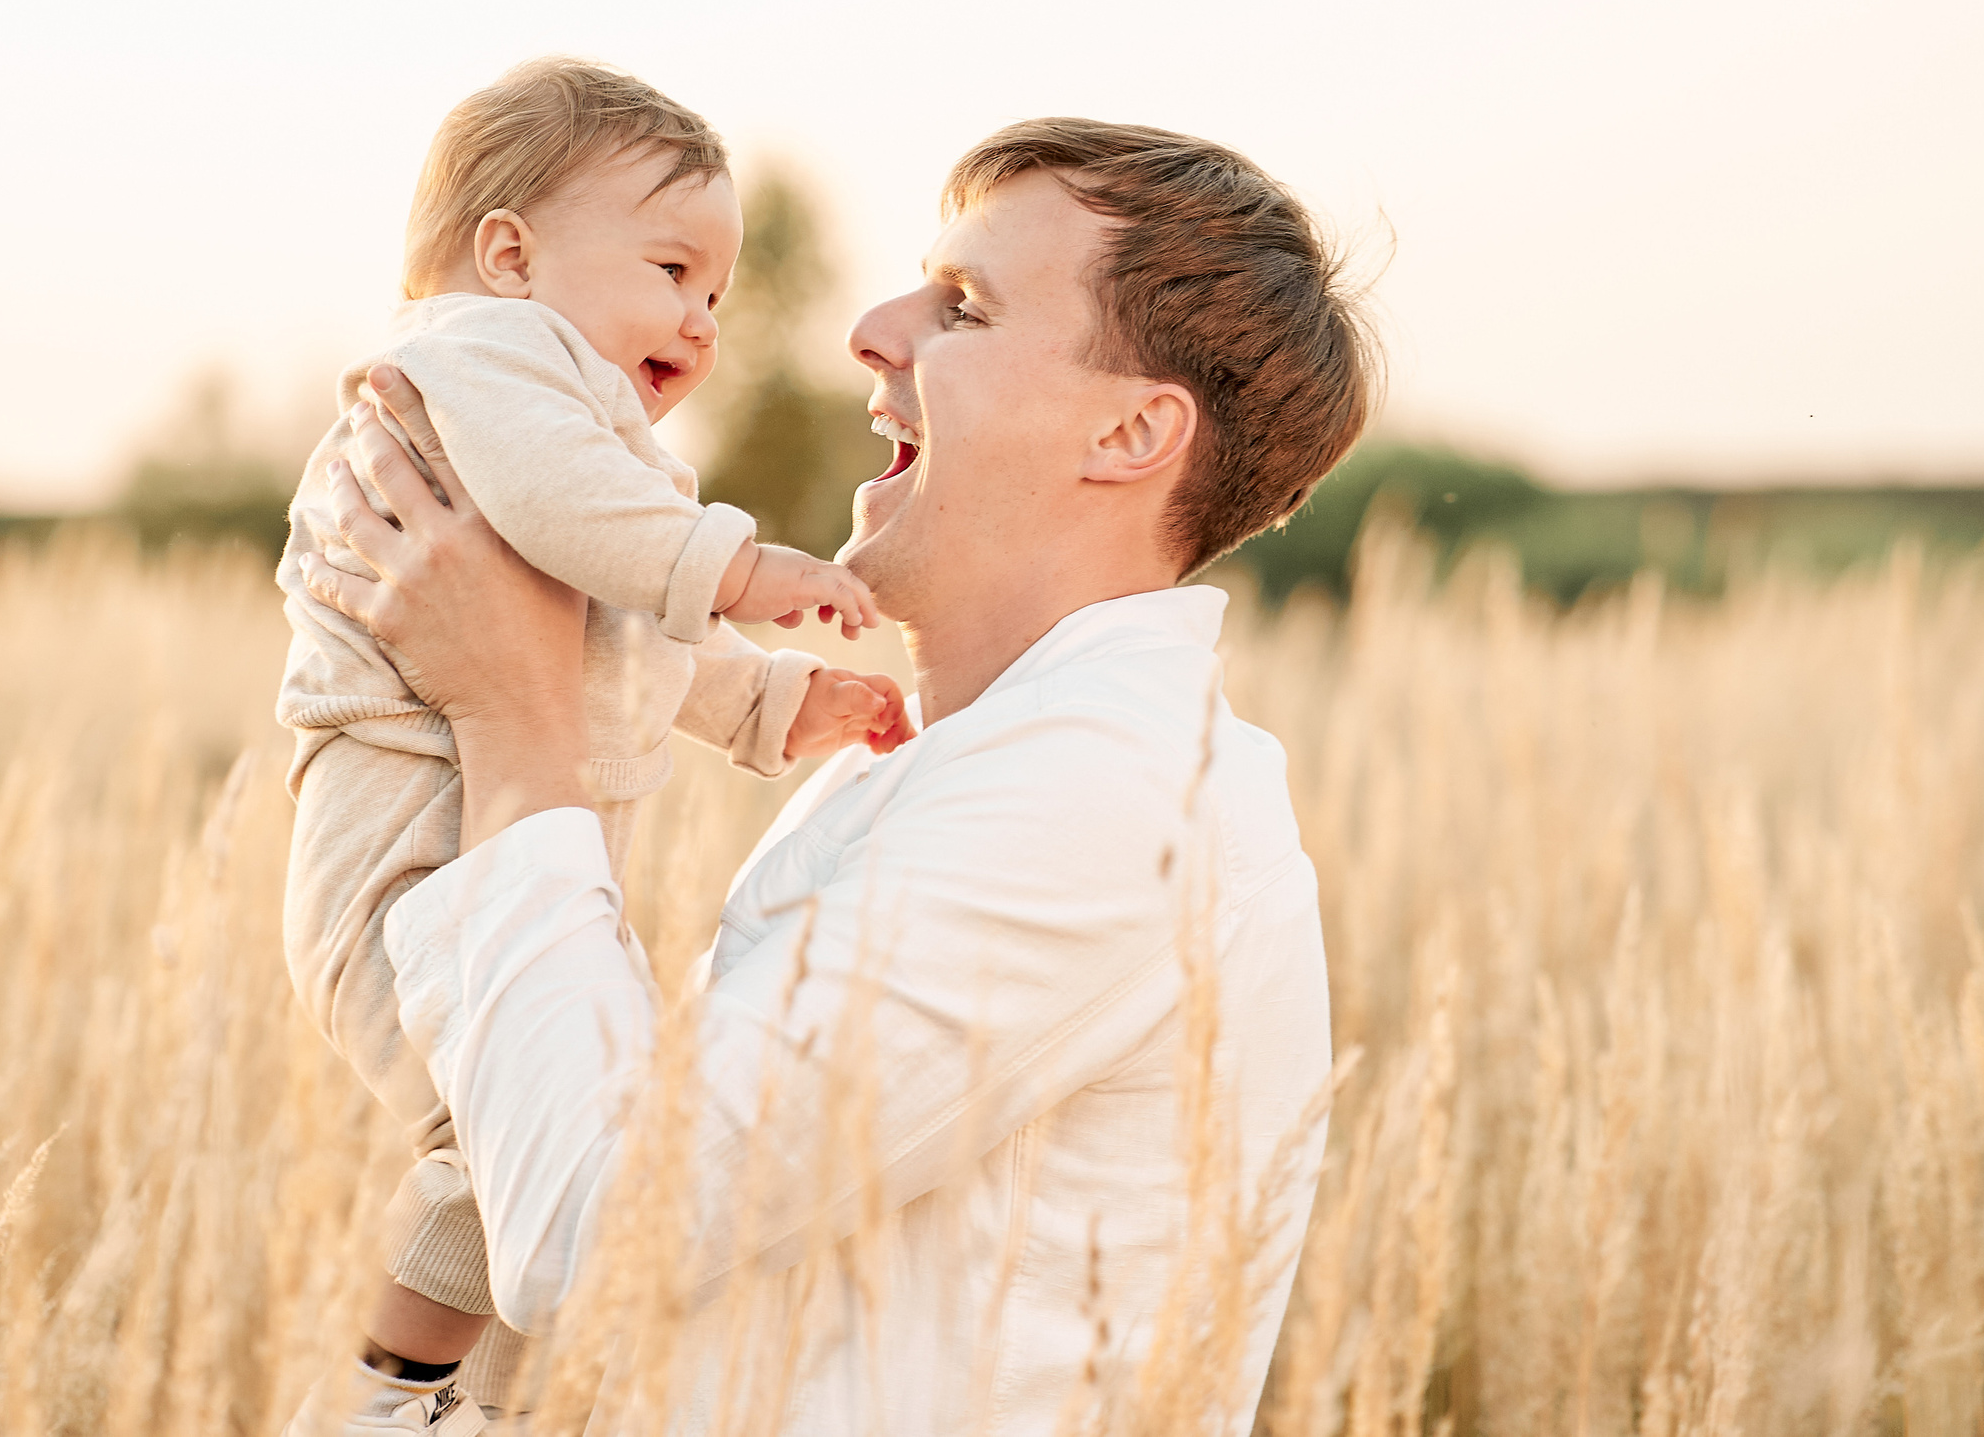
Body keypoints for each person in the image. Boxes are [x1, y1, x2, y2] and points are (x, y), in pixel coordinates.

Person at [290, 118, 1377, 1434]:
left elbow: (597, 1228)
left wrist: (516, 715)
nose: (870, 326)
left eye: (962, 306)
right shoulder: (938, 766)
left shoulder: (1106, 799)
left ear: (1133, 432)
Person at [276, 59, 913, 1431]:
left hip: (486, 812)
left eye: (718, 295)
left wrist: (761, 702)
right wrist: (741, 566)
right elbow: (580, 523)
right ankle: (391, 1388)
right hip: (410, 816)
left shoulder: (569, 411)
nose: (700, 316)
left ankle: (480, 1404)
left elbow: (611, 618)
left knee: (550, 1119)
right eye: (673, 268)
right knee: (504, 1127)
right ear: (509, 254)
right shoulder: (481, 356)